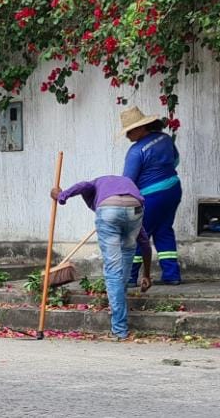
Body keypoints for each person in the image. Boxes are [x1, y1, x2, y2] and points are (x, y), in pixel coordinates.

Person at [50, 175, 152, 341]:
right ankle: (118, 307)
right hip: (135, 208)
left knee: (113, 271)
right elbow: (145, 244)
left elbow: (82, 185)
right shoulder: (122, 186)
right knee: (125, 264)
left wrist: (61, 196)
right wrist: (146, 274)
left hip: (109, 211)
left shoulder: (96, 184)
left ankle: (119, 330)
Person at [120, 106, 182, 285]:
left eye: (129, 131)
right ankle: (172, 275)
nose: (127, 136)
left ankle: (130, 277)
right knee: (164, 230)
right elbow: (175, 161)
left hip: (151, 197)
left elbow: (128, 182)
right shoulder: (165, 139)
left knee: (138, 234)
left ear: (141, 128)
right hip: (173, 190)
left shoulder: (135, 151)